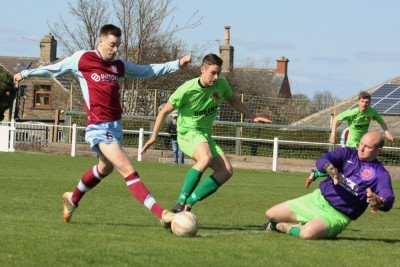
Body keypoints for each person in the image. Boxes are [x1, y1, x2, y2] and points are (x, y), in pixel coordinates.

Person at [13, 24, 191, 228]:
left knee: (104, 168)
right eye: (112, 45)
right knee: (127, 167)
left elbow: (148, 71)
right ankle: (162, 214)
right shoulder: (82, 59)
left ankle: (73, 198)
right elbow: (54, 68)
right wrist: (25, 74)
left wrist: (177, 64)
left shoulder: (118, 65)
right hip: (98, 128)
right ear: (101, 41)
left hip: (115, 127)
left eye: (118, 46)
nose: (115, 50)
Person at [141, 53, 272, 213]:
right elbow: (163, 112)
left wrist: (252, 116)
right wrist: (153, 136)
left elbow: (234, 100)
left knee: (226, 171)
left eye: (218, 73)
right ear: (202, 70)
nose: (216, 77)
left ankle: (189, 204)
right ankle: (180, 202)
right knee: (205, 157)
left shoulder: (221, 85)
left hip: (204, 135)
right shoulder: (186, 89)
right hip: (187, 133)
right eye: (213, 73)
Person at [264, 132, 395, 240]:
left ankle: (283, 227)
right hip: (317, 199)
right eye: (361, 144)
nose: (361, 148)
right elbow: (322, 159)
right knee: (271, 214)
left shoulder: (381, 173)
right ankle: (285, 223)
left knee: (307, 234)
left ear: (378, 151)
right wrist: (327, 167)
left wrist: (380, 202)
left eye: (367, 147)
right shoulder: (347, 153)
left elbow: (387, 197)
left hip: (338, 215)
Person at [330, 91, 394, 148]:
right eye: (362, 101)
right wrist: (333, 135)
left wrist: (387, 133)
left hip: (363, 145)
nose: (364, 104)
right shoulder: (352, 112)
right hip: (351, 145)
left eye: (367, 102)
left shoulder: (372, 112)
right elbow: (336, 119)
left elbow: (382, 122)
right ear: (358, 102)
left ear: (369, 103)